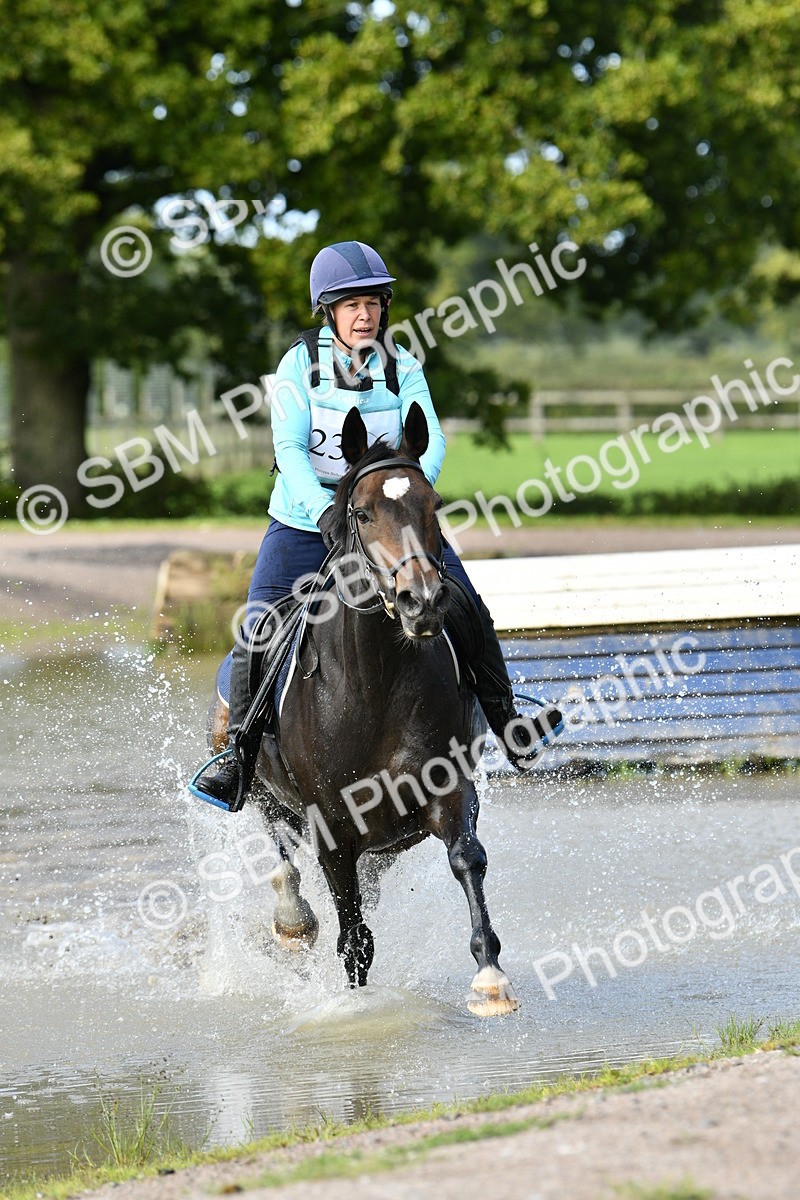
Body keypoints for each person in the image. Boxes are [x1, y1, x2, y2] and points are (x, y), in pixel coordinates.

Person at [192, 240, 562, 809]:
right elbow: (288, 451)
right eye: (351, 306)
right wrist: (326, 512)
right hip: (303, 523)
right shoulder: (297, 367)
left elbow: (431, 440)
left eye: (372, 304)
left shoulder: (403, 365)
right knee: (258, 629)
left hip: (391, 523)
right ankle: (237, 756)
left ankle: (509, 723)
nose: (364, 315)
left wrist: (410, 499)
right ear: (329, 312)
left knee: (465, 604)